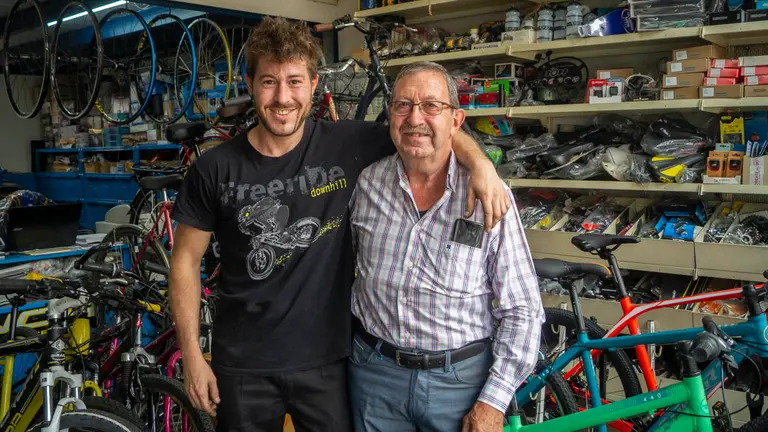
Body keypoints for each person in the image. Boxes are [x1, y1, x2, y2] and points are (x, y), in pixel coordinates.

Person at [168, 16, 511, 432]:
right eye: (269, 82)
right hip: (242, 365)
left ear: (314, 85)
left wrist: (480, 165)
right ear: (250, 83)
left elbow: (424, 127)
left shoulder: (348, 143)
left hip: (329, 362)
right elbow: (185, 261)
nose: (282, 97)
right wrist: (192, 356)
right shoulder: (214, 168)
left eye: (295, 82)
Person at [348, 61, 545, 432]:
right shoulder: (368, 184)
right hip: (375, 378)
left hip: (460, 384)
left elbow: (522, 308)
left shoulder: (488, 195)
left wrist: (494, 401)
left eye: (431, 106)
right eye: (403, 105)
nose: (414, 118)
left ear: (456, 120)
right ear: (390, 114)